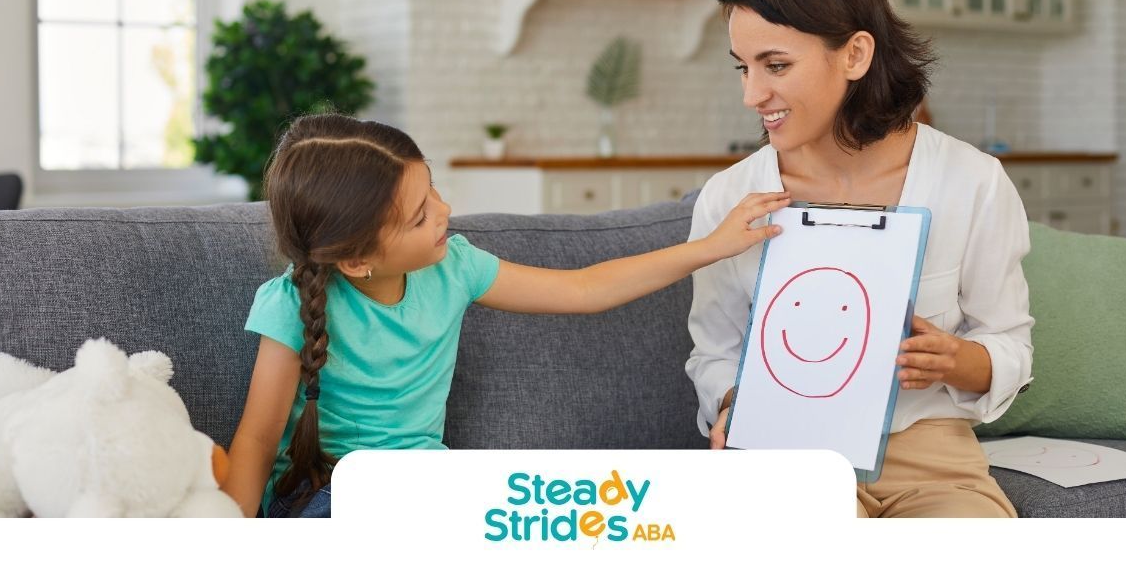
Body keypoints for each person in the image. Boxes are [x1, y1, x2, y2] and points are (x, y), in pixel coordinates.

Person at [223, 112, 791, 517]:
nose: (445, 211)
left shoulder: (454, 267)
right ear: (356, 259)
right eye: (420, 216)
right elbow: (256, 439)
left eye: (434, 189)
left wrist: (711, 245)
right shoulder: (291, 305)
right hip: (329, 500)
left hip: (430, 494)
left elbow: (584, 289)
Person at [684, 0, 1034, 518]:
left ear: (855, 55)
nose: (752, 94)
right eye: (742, 68)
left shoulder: (971, 181)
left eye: (776, 66)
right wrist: (734, 402)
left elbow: (1010, 344)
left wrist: (954, 359)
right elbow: (713, 352)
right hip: (784, 452)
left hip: (933, 461)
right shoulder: (731, 197)